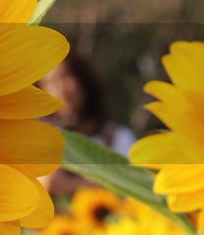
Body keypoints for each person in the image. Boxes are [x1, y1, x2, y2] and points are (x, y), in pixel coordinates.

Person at [39, 52, 135, 198]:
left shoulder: (118, 137)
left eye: (65, 76)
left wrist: (69, 185)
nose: (61, 88)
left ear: (83, 78)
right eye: (51, 82)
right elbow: (45, 184)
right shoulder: (41, 138)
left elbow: (136, 183)